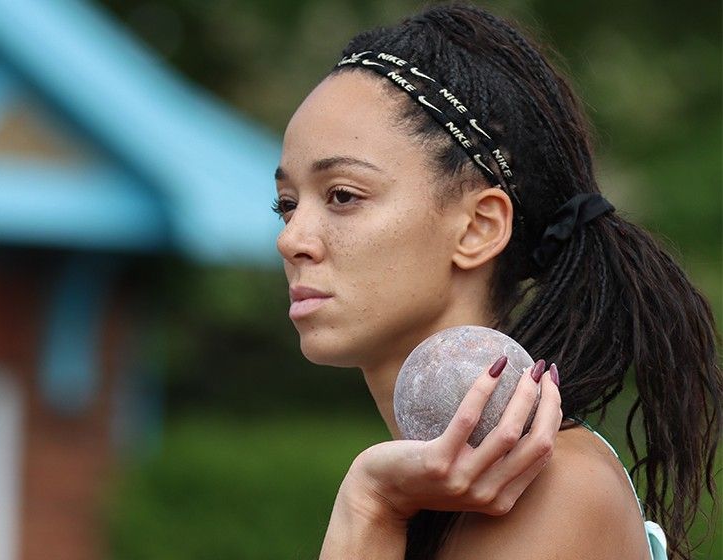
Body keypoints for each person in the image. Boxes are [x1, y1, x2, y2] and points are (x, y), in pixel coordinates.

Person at [272, 4, 721, 559]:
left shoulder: (555, 488)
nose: (291, 239)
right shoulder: (425, 494)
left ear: (479, 227)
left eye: (343, 195)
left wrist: (368, 506)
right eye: (286, 205)